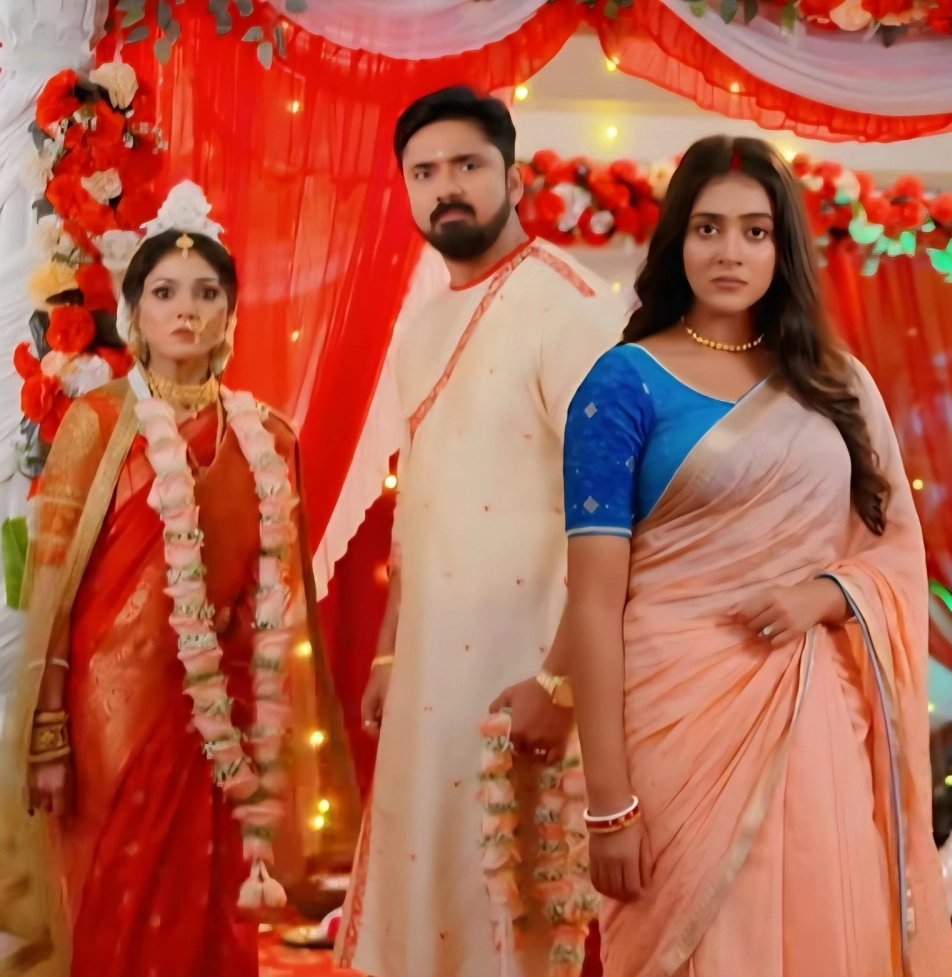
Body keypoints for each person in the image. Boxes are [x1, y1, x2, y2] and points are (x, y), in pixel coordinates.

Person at [562, 135, 952, 977]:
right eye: (707, 228)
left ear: (783, 249)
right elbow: (593, 601)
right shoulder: (621, 384)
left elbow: (894, 555)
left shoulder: (835, 383)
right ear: (678, 239)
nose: (729, 252)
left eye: (755, 231)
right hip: (671, 723)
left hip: (815, 716)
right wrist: (608, 803)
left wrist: (824, 594)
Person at [0, 183, 333, 977]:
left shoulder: (267, 436)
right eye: (165, 292)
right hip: (108, 713)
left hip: (220, 720)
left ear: (230, 313)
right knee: (112, 897)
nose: (186, 309)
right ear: (134, 311)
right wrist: (48, 733)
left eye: (207, 292)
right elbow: (51, 589)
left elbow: (279, 594)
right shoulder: (97, 421)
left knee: (207, 901)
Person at [335, 87, 624, 977]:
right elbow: (419, 504)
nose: (446, 186)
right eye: (424, 172)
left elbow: (621, 515)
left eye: (467, 165)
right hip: (429, 679)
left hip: (523, 680)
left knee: (512, 914)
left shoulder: (570, 309)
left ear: (514, 177)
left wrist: (561, 685)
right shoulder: (422, 325)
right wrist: (390, 650)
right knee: (421, 901)